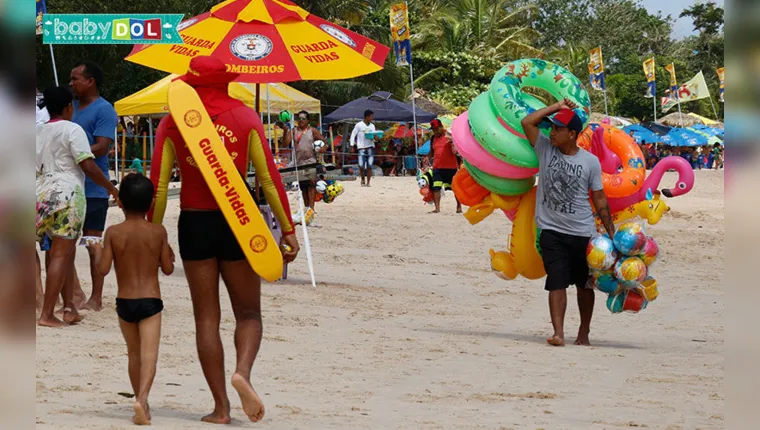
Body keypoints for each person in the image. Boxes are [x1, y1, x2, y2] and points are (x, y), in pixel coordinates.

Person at [148, 56, 300, 424]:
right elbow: (268, 180)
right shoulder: (245, 116)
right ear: (226, 81)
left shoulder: (172, 122)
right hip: (239, 221)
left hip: (194, 222)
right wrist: (288, 230)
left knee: (206, 319)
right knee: (248, 313)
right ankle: (242, 373)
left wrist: (155, 235)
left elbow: (159, 187)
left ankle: (220, 408)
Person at [521, 99, 616, 347]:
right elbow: (527, 121)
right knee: (556, 280)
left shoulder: (590, 162)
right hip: (551, 230)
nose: (551, 133)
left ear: (572, 134)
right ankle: (559, 333)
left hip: (582, 232)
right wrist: (556, 107)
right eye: (551, 128)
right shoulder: (544, 148)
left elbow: (599, 198)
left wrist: (611, 232)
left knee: (585, 285)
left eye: (558, 129)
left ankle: (583, 333)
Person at [36, 86, 119, 328]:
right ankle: (48, 314)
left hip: (41, 192)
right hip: (67, 193)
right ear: (68, 107)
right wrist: (111, 188)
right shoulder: (73, 129)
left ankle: (69, 306)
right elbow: (88, 165)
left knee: (59, 252)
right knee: (62, 253)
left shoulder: (38, 132)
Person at [97, 174, 174, 426]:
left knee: (134, 354)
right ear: (150, 203)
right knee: (149, 355)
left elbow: (103, 269)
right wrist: (168, 252)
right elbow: (168, 268)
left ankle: (142, 403)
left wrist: (98, 250)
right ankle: (142, 399)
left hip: (125, 301)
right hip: (151, 300)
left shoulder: (113, 232)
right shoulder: (158, 231)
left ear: (120, 202)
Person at [68, 61, 118, 312]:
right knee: (63, 243)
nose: (71, 83)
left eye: (75, 78)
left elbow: (103, 146)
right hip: (69, 186)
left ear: (91, 81)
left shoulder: (104, 109)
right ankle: (73, 294)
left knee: (91, 242)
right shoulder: (70, 107)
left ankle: (96, 297)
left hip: (93, 188)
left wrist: (72, 152)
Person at [281, 110, 327, 210]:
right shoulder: (294, 131)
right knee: (303, 188)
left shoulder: (312, 130)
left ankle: (311, 209)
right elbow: (285, 144)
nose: (301, 120)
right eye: (299, 119)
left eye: (303, 119)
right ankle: (307, 209)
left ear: (308, 120)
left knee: (311, 186)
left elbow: (324, 141)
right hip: (299, 163)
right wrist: (285, 131)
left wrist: (323, 148)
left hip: (311, 162)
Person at [427, 118, 462, 213]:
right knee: (436, 187)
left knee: (455, 188)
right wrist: (427, 157)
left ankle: (459, 206)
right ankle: (437, 208)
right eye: (433, 130)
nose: (435, 131)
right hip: (437, 167)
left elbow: (457, 149)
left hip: (451, 167)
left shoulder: (450, 136)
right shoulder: (433, 138)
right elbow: (432, 150)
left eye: (436, 129)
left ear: (441, 127)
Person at [349, 110, 380, 186]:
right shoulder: (359, 125)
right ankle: (363, 178)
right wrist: (352, 145)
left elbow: (373, 136)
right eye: (371, 116)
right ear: (367, 117)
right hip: (361, 147)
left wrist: (376, 138)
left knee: (369, 165)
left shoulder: (372, 126)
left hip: (370, 146)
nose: (372, 118)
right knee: (361, 165)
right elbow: (353, 135)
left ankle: (368, 182)